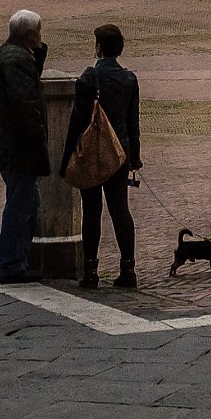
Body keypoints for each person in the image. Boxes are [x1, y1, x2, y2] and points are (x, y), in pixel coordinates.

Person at [63, 23, 141, 290]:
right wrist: (135, 157)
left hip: (92, 153)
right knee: (121, 211)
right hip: (119, 154)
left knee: (92, 211)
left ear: (98, 47)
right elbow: (133, 123)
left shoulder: (88, 78)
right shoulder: (130, 79)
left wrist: (67, 157)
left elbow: (77, 122)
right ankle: (128, 269)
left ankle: (91, 271)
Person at [0, 9, 50, 284]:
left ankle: (17, 260)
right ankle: (11, 264)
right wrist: (39, 136)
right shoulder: (16, 60)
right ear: (28, 34)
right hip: (19, 148)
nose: (41, 36)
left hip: (11, 146)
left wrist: (38, 55)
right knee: (20, 206)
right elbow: (25, 104)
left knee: (28, 202)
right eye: (38, 32)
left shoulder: (11, 54)